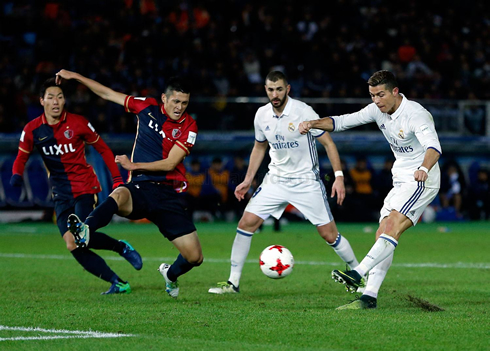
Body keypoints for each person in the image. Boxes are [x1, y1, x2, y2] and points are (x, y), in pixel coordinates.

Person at [299, 70, 442, 309]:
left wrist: (424, 169)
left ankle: (357, 273)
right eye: (372, 95)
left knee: (392, 224)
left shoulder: (416, 114)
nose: (376, 100)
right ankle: (369, 297)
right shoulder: (378, 110)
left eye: (380, 94)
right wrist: (313, 123)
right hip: (401, 179)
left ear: (395, 92)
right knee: (384, 232)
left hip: (421, 179)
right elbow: (342, 121)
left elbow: (434, 148)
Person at [55, 69, 203, 298]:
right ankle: (86, 229)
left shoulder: (189, 126)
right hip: (141, 187)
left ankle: (170, 275)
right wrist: (75, 77)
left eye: (184, 103)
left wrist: (134, 166)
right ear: (164, 98)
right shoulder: (146, 106)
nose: (180, 107)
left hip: (166, 194)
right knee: (119, 195)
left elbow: (170, 163)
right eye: (176, 101)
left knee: (195, 257)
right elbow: (107, 94)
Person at [208, 70, 359, 294]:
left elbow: (328, 143)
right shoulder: (261, 115)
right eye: (270, 89)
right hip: (276, 180)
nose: (275, 94)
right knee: (246, 223)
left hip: (306, 181)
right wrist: (248, 179)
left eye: (279, 89)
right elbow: (259, 146)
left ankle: (358, 274)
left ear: (287, 89)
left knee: (329, 234)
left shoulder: (303, 111)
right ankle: (233, 283)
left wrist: (338, 177)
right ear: (266, 90)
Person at [10, 78, 142, 295]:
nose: (56, 101)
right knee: (73, 244)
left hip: (84, 189)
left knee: (82, 237)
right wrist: (16, 174)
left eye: (60, 97)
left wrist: (117, 179)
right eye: (51, 97)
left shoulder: (78, 123)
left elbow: (104, 150)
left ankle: (121, 247)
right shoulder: (32, 129)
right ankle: (118, 282)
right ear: (42, 100)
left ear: (64, 101)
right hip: (61, 194)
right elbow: (21, 157)